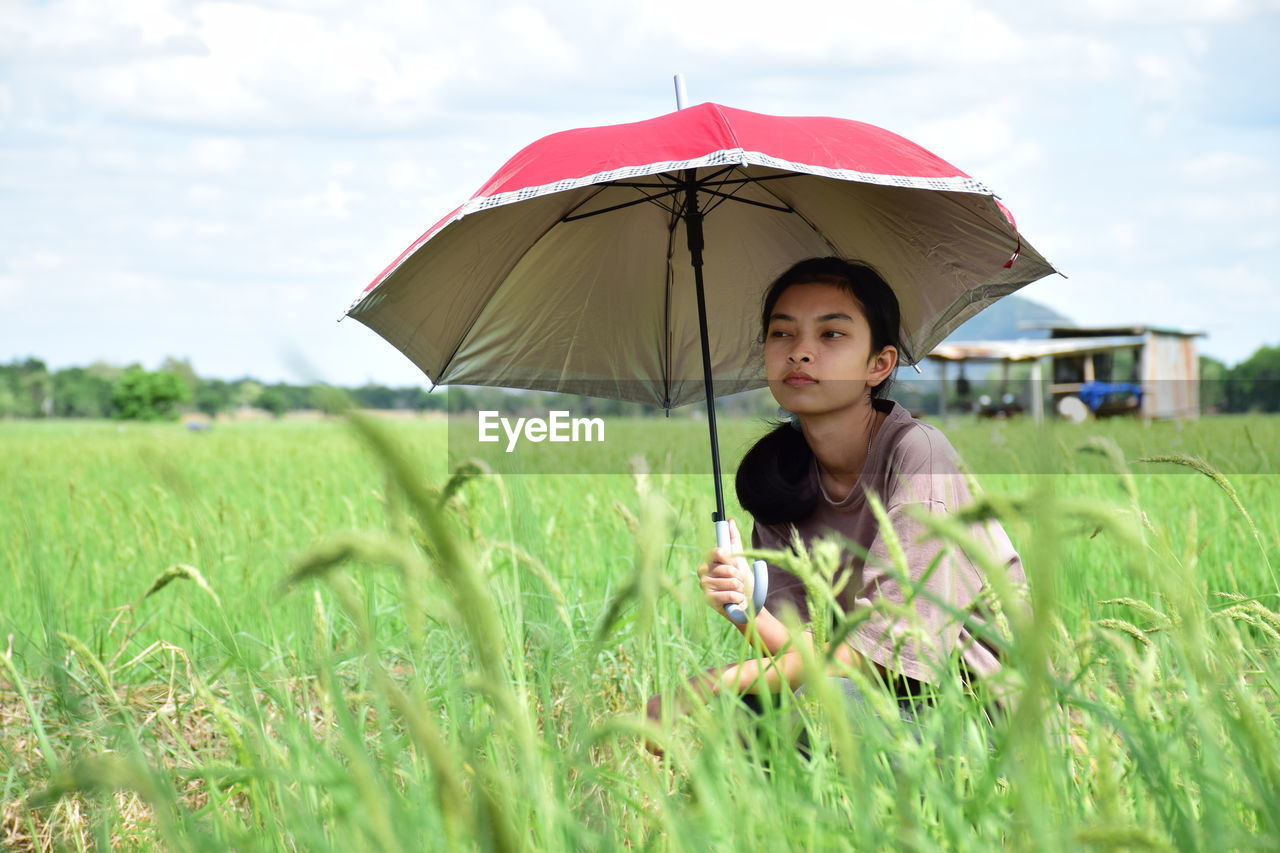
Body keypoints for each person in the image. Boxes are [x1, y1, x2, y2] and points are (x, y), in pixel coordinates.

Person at [645, 257, 1025, 749]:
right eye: (782, 334)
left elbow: (886, 652)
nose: (800, 352)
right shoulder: (780, 478)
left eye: (831, 335)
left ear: (879, 364)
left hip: (974, 709)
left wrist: (702, 687)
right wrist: (744, 610)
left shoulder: (917, 454)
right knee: (758, 710)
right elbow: (801, 654)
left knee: (806, 704)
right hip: (869, 695)